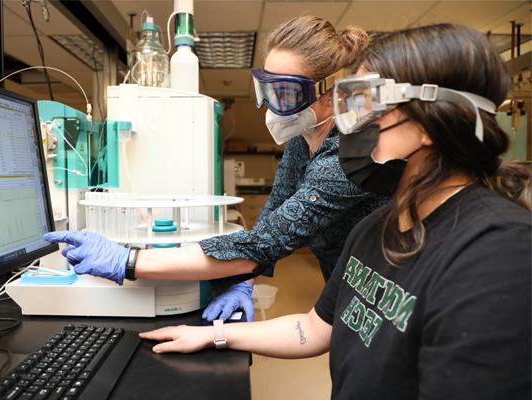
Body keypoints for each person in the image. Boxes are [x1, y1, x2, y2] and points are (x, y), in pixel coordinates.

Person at [139, 23, 532, 399]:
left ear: (431, 121)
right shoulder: (377, 227)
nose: (350, 121)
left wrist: (129, 262)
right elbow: (315, 328)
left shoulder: (500, 250)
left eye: (365, 101)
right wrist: (214, 335)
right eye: (349, 101)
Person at [44, 16, 388, 322]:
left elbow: (271, 240)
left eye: (284, 93)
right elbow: (272, 218)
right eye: (265, 89)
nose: (271, 107)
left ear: (331, 93)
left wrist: (127, 261)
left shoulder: (350, 155)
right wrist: (243, 280)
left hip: (387, 293)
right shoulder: (302, 140)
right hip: (343, 287)